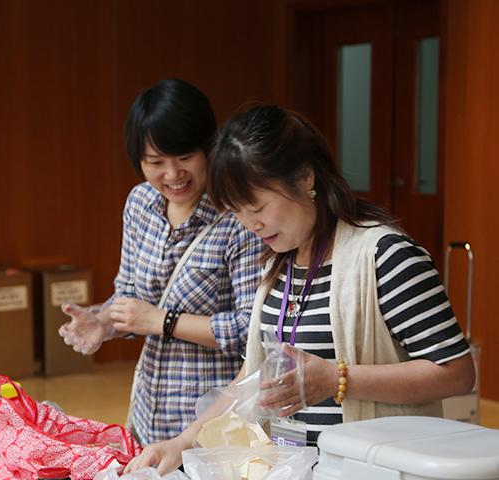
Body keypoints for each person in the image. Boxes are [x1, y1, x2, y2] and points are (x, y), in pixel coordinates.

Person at [126, 105, 476, 474]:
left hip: (368, 468)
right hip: (293, 468)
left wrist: (337, 378)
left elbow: (456, 372)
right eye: (238, 212)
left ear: (306, 177)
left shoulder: (383, 255)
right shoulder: (280, 264)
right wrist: (183, 443)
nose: (251, 224)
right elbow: (252, 375)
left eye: (258, 206)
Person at [59, 79, 262, 444]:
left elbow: (252, 329)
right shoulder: (140, 204)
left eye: (185, 158)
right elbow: (130, 293)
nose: (172, 175)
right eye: (155, 162)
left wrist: (163, 321)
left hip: (213, 421)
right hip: (149, 407)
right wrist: (104, 321)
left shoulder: (238, 217)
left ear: (209, 148)